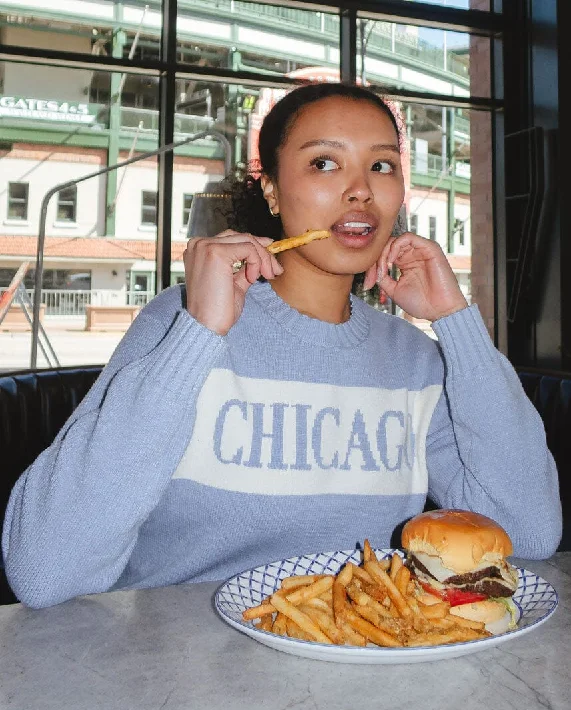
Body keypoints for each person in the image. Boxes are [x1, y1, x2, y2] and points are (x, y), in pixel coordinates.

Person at [2, 83, 562, 609]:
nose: (361, 189)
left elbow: (529, 532)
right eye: (324, 162)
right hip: (170, 678)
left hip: (361, 672)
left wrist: (456, 321)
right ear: (271, 188)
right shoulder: (181, 324)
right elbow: (45, 570)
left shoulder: (414, 362)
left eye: (382, 165)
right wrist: (199, 334)